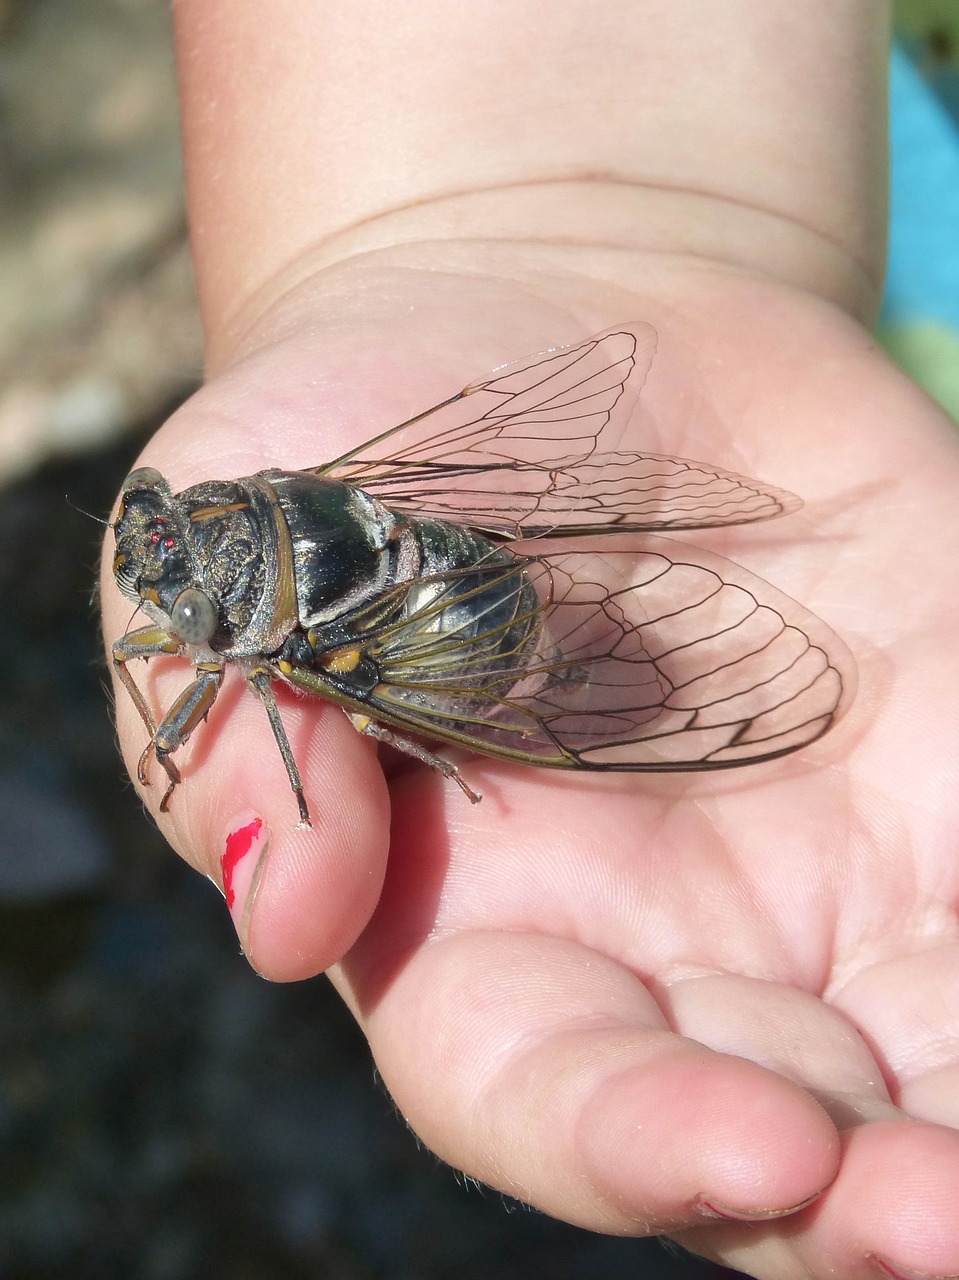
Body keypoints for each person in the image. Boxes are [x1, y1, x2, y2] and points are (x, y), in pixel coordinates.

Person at [101, 2, 959, 1275]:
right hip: (433, 584)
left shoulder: (257, 658)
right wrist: (521, 219)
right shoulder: (264, 585)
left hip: (424, 636)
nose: (151, 579)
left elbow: (273, 726)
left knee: (356, 701)